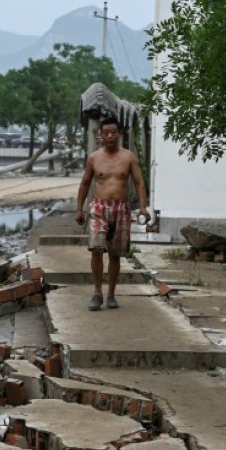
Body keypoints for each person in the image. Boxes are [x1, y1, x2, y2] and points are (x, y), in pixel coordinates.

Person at [75, 117, 149, 311]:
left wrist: (142, 207)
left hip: (121, 208)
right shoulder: (94, 158)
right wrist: (79, 208)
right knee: (97, 249)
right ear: (100, 135)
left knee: (115, 254)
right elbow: (84, 183)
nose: (109, 136)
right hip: (98, 207)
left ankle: (111, 294)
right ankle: (97, 292)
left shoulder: (129, 157)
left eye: (113, 132)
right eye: (105, 132)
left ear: (119, 134)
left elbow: (140, 182)